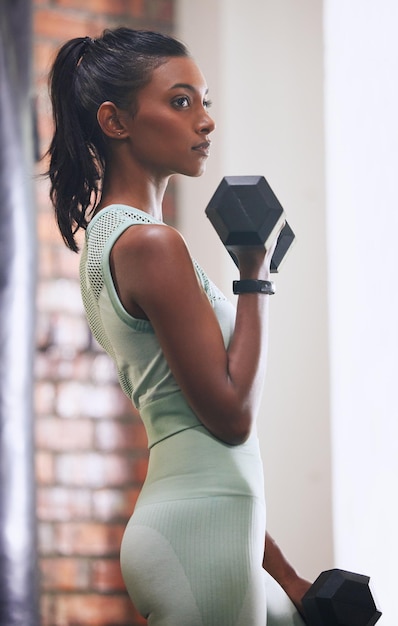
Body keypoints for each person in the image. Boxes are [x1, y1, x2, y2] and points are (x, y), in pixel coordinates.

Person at [47, 27, 311, 626]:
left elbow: (199, 443)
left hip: (211, 524)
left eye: (205, 101)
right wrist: (254, 277)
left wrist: (289, 576)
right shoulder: (149, 244)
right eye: (180, 101)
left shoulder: (110, 243)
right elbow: (231, 414)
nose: (206, 121)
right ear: (116, 122)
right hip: (200, 534)